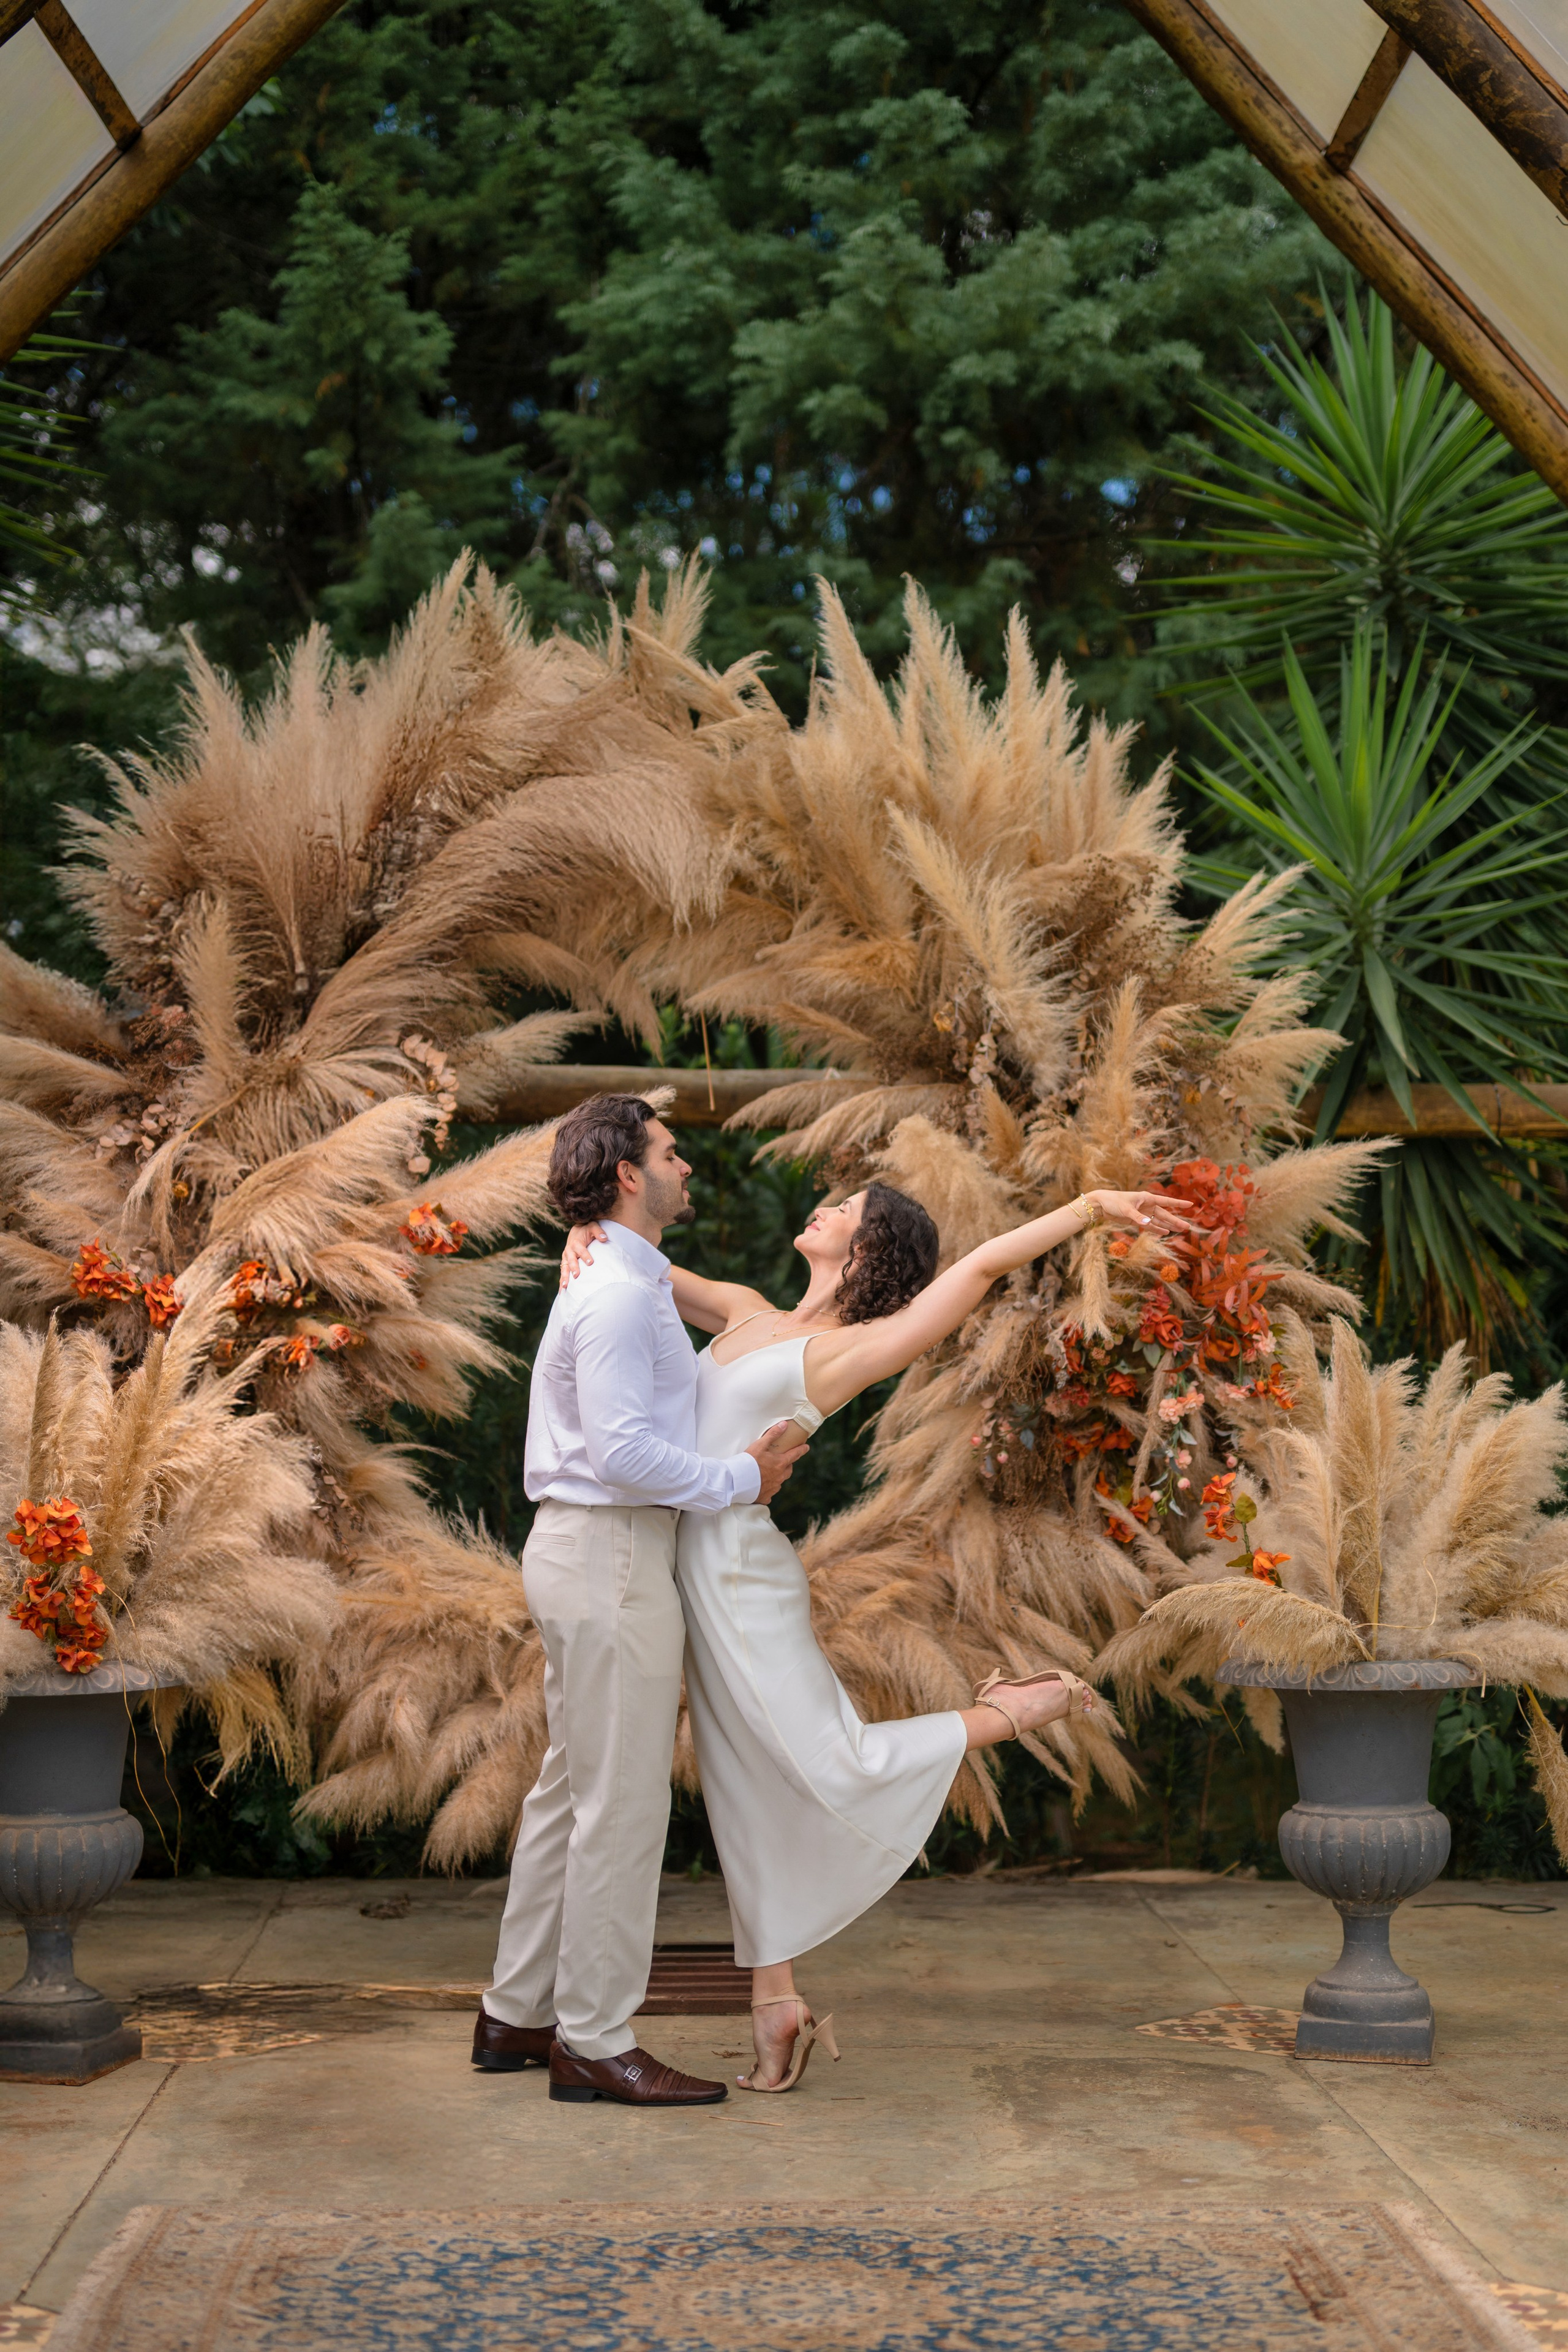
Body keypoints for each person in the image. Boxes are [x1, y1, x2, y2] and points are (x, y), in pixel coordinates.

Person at [560, 1164, 1194, 2092]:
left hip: (739, 1580)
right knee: (742, 1789)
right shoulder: (741, 1309)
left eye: (845, 1210)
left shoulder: (850, 1351)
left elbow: (979, 1269)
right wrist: (585, 1232)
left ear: (865, 1252)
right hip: (680, 1572)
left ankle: (1010, 1714)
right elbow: (631, 1264)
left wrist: (1090, 1208)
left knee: (831, 1764)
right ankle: (775, 2004)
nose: (822, 1207)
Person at [473, 1095, 811, 2108]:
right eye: (670, 1153)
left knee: (571, 1790)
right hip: (612, 1552)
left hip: (590, 1552)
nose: (686, 1167)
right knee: (619, 1807)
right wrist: (742, 1481)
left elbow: (706, 1321)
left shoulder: (627, 1273)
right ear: (629, 1174)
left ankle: (517, 2013)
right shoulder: (618, 1295)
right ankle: (594, 2039)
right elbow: (622, 1454)